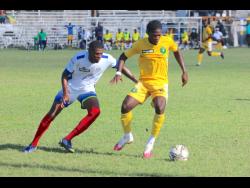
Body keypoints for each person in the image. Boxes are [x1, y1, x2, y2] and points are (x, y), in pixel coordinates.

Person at [23, 41, 137, 153]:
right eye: (96, 54)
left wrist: (136, 81)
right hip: (70, 88)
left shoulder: (107, 58)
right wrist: (66, 93)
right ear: (89, 51)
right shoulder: (79, 57)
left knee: (95, 112)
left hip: (87, 90)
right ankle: (33, 144)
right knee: (52, 114)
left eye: (101, 53)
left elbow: (121, 66)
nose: (99, 56)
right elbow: (64, 75)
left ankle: (67, 139)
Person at [110, 20, 188, 159]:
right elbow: (122, 57)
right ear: (148, 34)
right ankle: (127, 136)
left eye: (159, 35)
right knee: (125, 106)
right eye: (155, 35)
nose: (157, 38)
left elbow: (176, 52)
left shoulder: (167, 41)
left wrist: (184, 71)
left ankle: (150, 143)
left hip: (160, 83)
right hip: (144, 83)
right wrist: (118, 72)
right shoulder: (140, 44)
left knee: (159, 107)